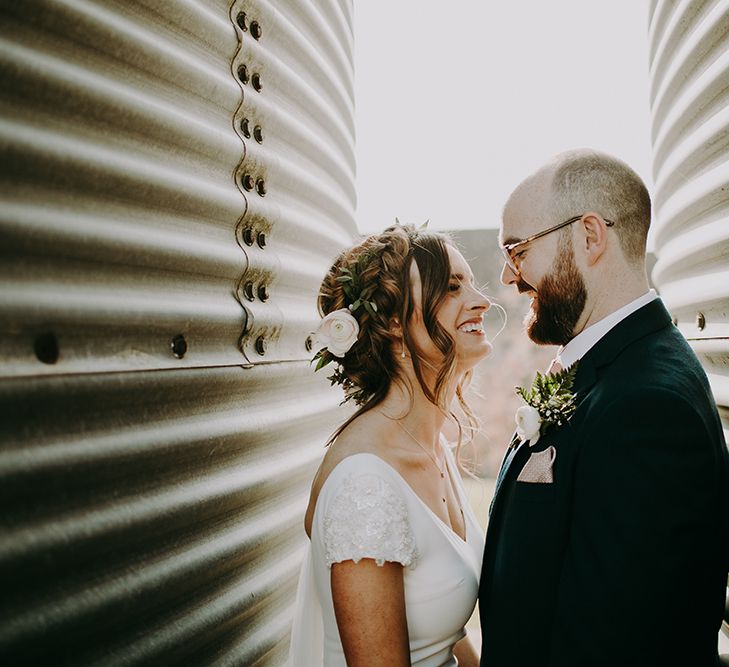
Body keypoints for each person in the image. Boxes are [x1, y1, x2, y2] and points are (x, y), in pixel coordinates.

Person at [479, 148, 729, 667]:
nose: (509, 277)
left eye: (518, 250)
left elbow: (614, 646)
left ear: (590, 236)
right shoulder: (617, 369)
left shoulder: (647, 408)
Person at [289, 224, 492, 666]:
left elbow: (446, 632)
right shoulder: (365, 487)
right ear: (396, 322)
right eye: (452, 287)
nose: (482, 301)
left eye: (472, 283)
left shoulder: (428, 447)